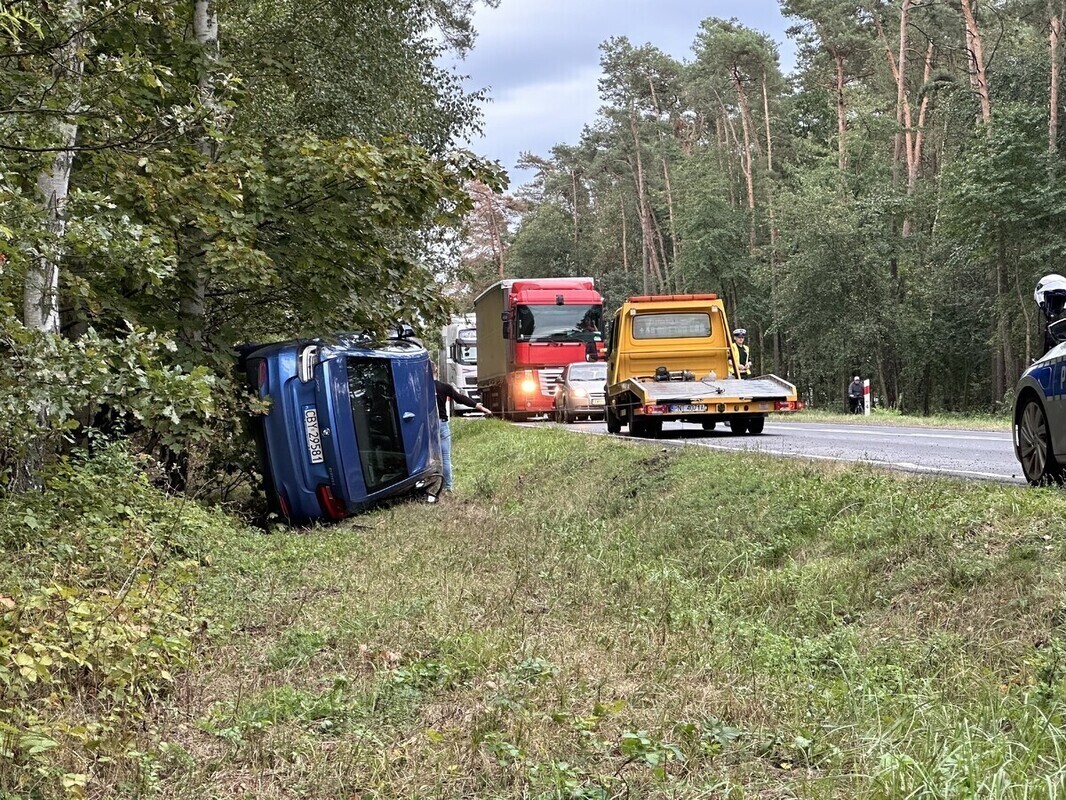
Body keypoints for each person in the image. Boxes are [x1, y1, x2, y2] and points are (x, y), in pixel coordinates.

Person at [431, 362, 491, 493]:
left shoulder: (421, 388)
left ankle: (430, 485)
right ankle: (448, 487)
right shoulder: (444, 387)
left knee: (428, 457)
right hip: (442, 424)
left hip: (427, 425)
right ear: (436, 371)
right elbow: (460, 398)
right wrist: (480, 407)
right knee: (445, 457)